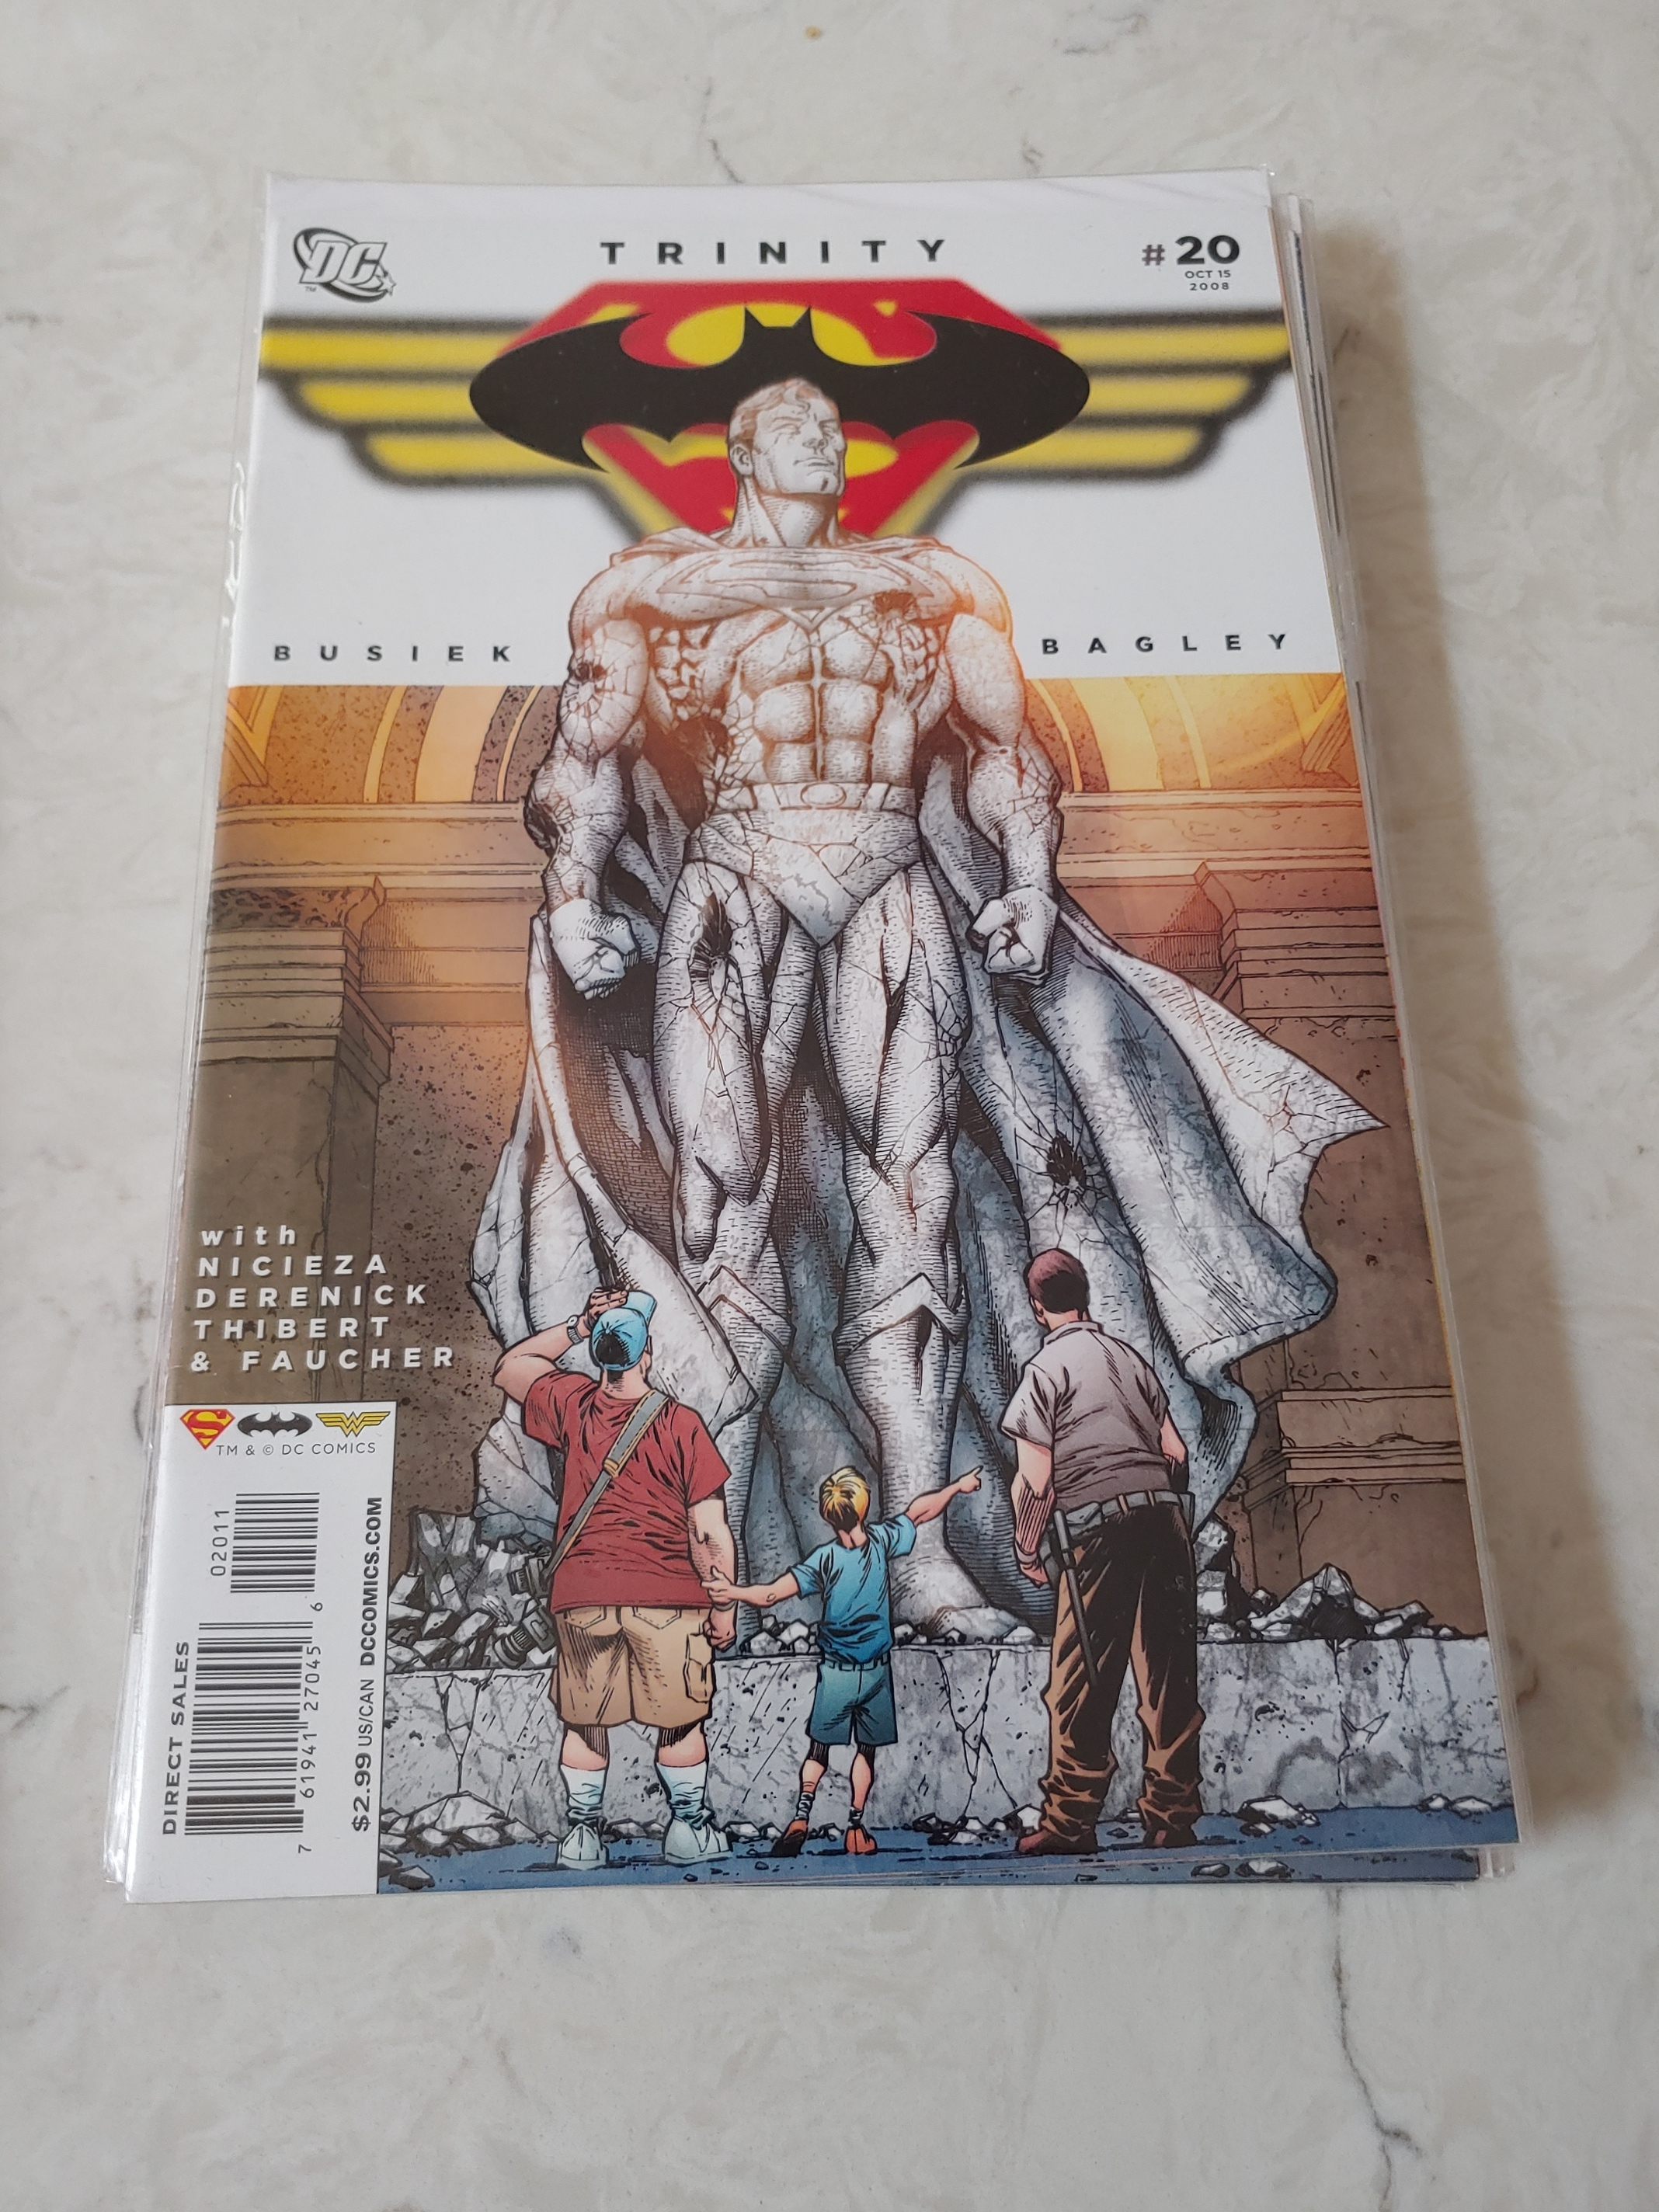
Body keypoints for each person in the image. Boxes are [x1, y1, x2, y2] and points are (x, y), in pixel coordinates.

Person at [494, 1286, 739, 1869]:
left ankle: (582, 1836)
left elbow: (511, 1367)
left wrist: (578, 1325)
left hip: (583, 1595)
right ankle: (688, 1829)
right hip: (669, 1599)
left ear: (599, 1358)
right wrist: (724, 1606)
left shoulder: (573, 1405)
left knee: (585, 1722)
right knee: (680, 1721)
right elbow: (709, 1531)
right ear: (647, 1354)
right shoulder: (682, 1425)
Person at [1001, 1249, 1204, 1855]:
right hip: (1165, 1524)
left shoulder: (1045, 1369)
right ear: (1085, 1296)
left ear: (1038, 1307)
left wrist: (1028, 1550)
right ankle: (1172, 1815)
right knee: (1169, 1676)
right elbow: (1177, 1455)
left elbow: (1036, 1481)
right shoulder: (1131, 1360)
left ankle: (1070, 1822)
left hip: (1100, 1532)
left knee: (1080, 1681)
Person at [704, 1465, 981, 1856]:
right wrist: (956, 1487)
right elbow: (920, 1512)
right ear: (864, 1507)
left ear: (828, 1516)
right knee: (866, 1751)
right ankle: (855, 1826)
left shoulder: (825, 1560)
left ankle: (801, 1816)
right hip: (875, 1672)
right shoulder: (882, 1541)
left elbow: (771, 1595)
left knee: (818, 1749)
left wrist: (732, 1592)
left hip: (836, 1671)